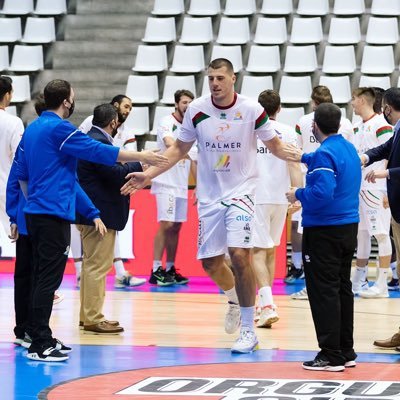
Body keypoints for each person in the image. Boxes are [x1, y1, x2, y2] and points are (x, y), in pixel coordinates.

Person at [121, 58, 300, 353]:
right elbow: (178, 149)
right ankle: (233, 298)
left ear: (233, 79)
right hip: (209, 197)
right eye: (210, 78)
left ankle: (247, 330)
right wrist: (148, 175)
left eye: (220, 78)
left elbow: (276, 147)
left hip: (243, 192)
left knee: (240, 255)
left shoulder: (252, 110)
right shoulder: (197, 110)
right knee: (210, 263)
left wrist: (302, 160)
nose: (215, 83)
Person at [16, 79, 168, 362]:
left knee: (40, 277)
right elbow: (98, 151)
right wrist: (142, 156)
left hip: (36, 213)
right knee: (47, 281)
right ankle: (39, 343)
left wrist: (30, 203)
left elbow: (22, 173)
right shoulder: (60, 129)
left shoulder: (33, 128)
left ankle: (40, 333)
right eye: (72, 97)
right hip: (52, 214)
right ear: (66, 102)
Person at [286, 102, 361, 371]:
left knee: (322, 291)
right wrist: (303, 157)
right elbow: (332, 168)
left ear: (314, 126)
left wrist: (297, 194)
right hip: (348, 227)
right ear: (339, 124)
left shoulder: (323, 155)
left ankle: (330, 354)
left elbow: (321, 193)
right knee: (342, 287)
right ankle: (345, 350)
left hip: (323, 230)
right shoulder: (348, 149)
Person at [76, 104, 143, 334]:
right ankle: (94, 317)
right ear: (114, 123)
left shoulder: (90, 137)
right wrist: (139, 164)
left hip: (90, 213)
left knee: (90, 266)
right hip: (99, 215)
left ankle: (87, 315)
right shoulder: (99, 142)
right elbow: (115, 174)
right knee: (97, 266)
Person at [290, 85, 353, 300]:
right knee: (342, 281)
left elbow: (322, 193)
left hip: (320, 211)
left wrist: (297, 193)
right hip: (347, 215)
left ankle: (304, 277)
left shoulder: (308, 130)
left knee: (323, 282)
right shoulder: (349, 144)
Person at [253, 89, 302, 328]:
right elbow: (294, 163)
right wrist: (297, 193)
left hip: (257, 197)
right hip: (281, 197)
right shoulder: (289, 132)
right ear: (278, 109)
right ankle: (264, 302)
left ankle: (268, 304)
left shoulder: (252, 130)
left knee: (256, 252)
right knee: (270, 250)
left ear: (259, 109)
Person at [360, 87, 400, 350]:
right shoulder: (397, 129)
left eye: (383, 106)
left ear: (387, 106)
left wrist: (386, 175)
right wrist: (364, 157)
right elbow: (385, 148)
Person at [150, 89, 196, 286]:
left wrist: (198, 186)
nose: (187, 106)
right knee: (166, 223)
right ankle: (155, 269)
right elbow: (171, 144)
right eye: (184, 102)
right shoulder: (166, 122)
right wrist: (184, 151)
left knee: (176, 226)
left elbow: (196, 158)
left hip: (180, 183)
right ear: (177, 104)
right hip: (165, 181)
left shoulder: (193, 127)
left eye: (190, 103)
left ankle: (169, 268)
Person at [351, 87, 393, 298]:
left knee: (381, 233)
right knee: (362, 235)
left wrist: (387, 190)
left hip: (377, 188)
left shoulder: (382, 125)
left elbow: (389, 155)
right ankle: (358, 281)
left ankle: (382, 284)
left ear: (363, 101)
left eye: (354, 99)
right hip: (360, 187)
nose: (351, 103)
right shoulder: (357, 126)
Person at [0, 76, 24, 253]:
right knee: (17, 237)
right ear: (8, 95)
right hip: (5, 185)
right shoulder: (13, 122)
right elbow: (20, 157)